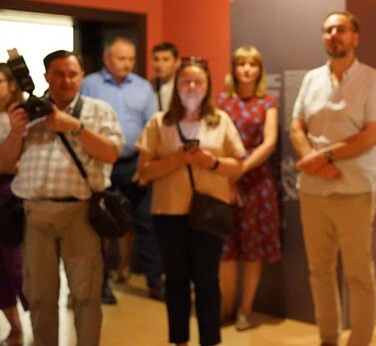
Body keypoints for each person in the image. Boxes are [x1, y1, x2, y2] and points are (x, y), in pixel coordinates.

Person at [290, 11, 376, 346]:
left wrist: (324, 158)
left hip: (354, 191)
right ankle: (328, 338)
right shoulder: (311, 79)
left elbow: (372, 134)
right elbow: (296, 126)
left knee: (358, 274)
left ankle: (359, 341)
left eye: (341, 29)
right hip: (313, 190)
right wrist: (315, 162)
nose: (333, 35)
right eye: (328, 30)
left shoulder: (372, 80)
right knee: (319, 271)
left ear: (355, 37)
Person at [8, 50, 124, 346]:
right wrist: (16, 132)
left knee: (86, 295)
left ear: (82, 76)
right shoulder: (28, 111)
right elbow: (5, 163)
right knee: (40, 296)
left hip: (80, 213)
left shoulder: (98, 110)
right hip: (34, 214)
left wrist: (75, 127)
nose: (66, 80)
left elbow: (112, 153)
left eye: (72, 74)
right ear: (46, 76)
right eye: (58, 74)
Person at [136, 57, 245, 346]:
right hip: (168, 213)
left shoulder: (220, 121)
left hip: (209, 212)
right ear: (177, 85)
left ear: (208, 86)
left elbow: (238, 166)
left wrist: (211, 162)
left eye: (198, 81)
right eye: (186, 81)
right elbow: (143, 171)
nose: (192, 86)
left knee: (207, 280)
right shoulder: (160, 123)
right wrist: (177, 159)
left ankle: (210, 340)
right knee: (176, 280)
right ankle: (179, 341)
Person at [81, 36, 164, 303]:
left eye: (131, 59)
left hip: (133, 163)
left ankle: (155, 282)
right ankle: (101, 283)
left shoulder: (142, 87)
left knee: (145, 223)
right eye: (121, 58)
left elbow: (153, 127)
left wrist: (145, 165)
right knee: (100, 225)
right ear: (107, 59)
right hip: (100, 163)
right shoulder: (89, 84)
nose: (127, 64)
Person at [218, 46, 282, 331]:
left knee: (253, 249)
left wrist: (240, 169)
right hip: (224, 181)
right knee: (226, 248)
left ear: (259, 69)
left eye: (252, 64)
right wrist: (228, 176)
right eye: (241, 63)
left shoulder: (267, 102)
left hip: (256, 182)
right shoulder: (222, 101)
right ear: (233, 68)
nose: (246, 69)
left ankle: (245, 309)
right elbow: (215, 138)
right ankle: (226, 307)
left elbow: (269, 143)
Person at [0, 63, 28, 346]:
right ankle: (14, 325)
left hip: (13, 192)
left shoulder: (23, 114)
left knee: (16, 264)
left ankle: (38, 318)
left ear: (10, 84)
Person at [152, 42, 180, 112]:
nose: (159, 65)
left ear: (177, 63)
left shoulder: (182, 88)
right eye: (156, 59)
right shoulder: (148, 87)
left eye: (165, 60)